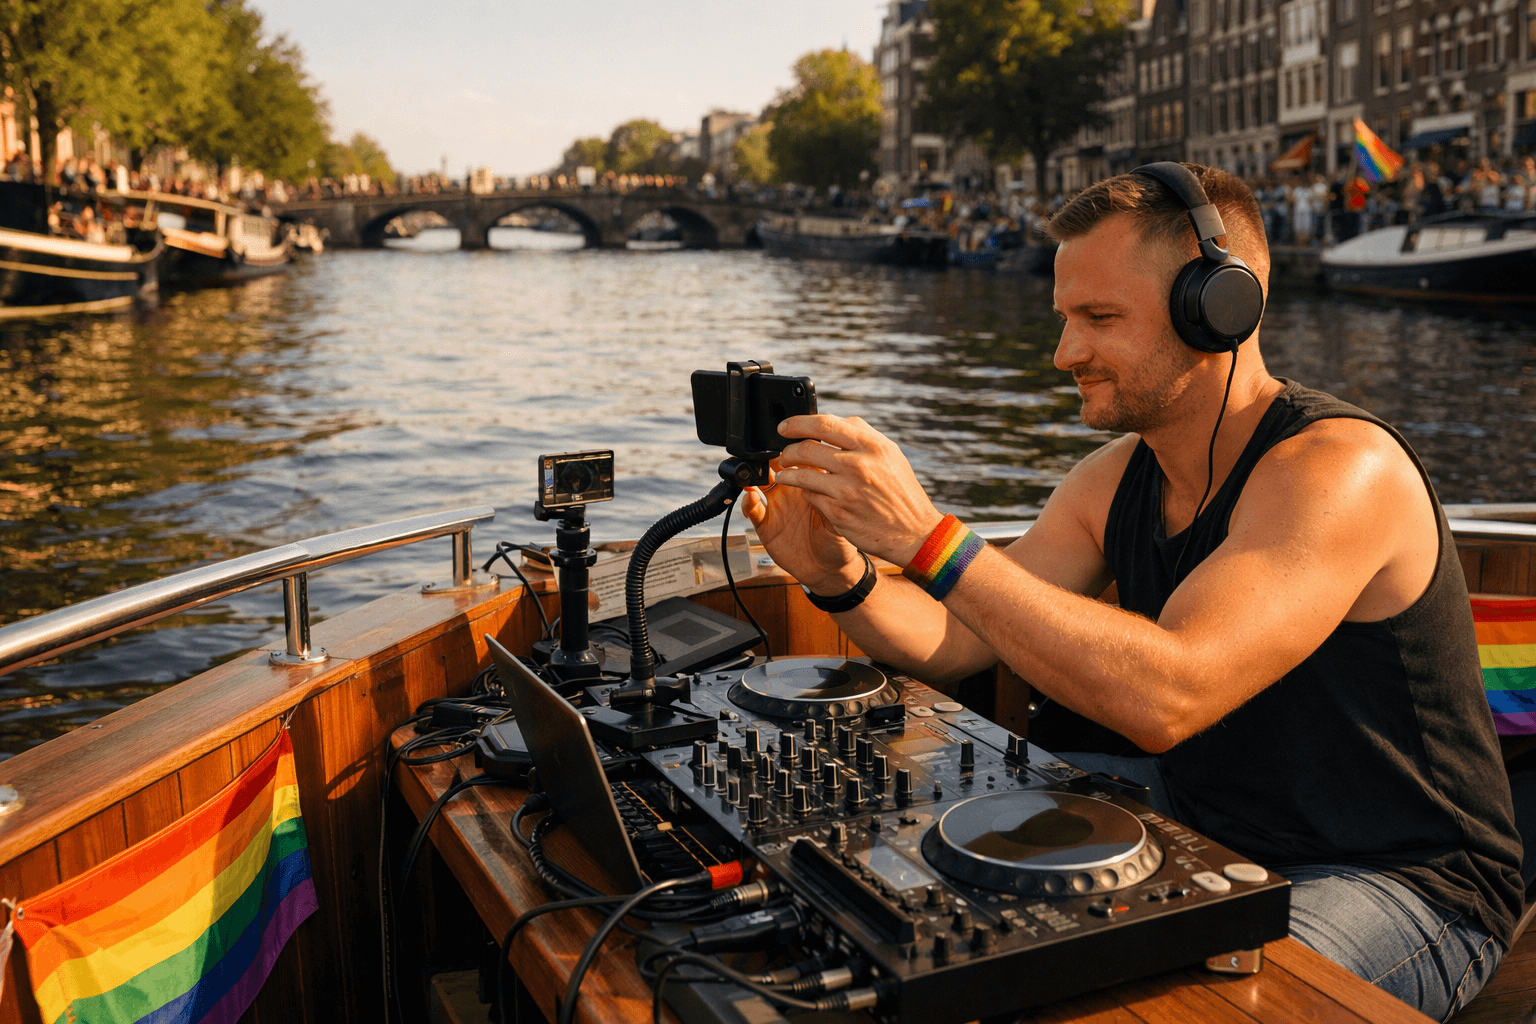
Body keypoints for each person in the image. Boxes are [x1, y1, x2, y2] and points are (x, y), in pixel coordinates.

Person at [742, 163, 1521, 1022]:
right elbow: (960, 639)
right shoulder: (1114, 479)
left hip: (1400, 878)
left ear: (1221, 306)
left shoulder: (1340, 470)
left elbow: (1170, 693)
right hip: (1206, 825)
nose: (1065, 353)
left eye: (1100, 319)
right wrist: (839, 576)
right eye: (1066, 318)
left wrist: (928, 537)